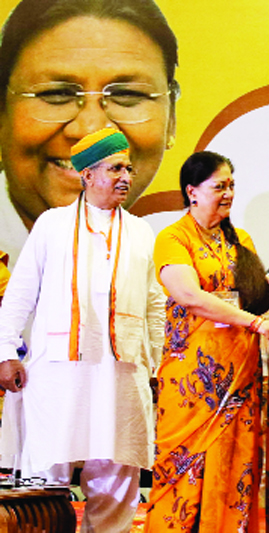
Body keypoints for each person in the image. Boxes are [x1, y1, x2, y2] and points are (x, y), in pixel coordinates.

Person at [0, 128, 165, 532]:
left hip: (121, 374)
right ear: (87, 175)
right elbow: (20, 294)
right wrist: (4, 352)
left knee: (117, 477)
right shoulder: (52, 225)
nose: (126, 176)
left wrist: (155, 364)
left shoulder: (141, 231)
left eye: (128, 168)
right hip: (58, 371)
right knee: (45, 476)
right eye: (115, 168)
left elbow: (154, 304)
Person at [144, 151, 269, 532]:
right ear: (192, 192)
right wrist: (255, 324)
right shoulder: (172, 238)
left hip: (240, 380)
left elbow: (257, 299)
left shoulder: (240, 239)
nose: (227, 194)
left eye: (231, 186)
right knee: (180, 483)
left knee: (234, 476)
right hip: (193, 386)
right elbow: (189, 296)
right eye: (218, 186)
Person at [0, 0, 179, 268]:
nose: (92, 130)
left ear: (171, 120)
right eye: (57, 94)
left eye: (127, 95)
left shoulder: (170, 263)